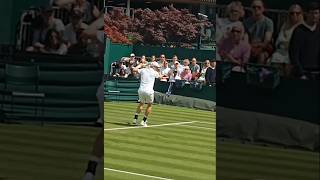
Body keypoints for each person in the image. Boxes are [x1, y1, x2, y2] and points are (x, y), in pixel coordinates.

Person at [289, 2, 320, 80]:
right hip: (302, 73)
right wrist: (301, 74)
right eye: (312, 13)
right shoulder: (299, 31)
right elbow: (293, 54)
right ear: (306, 14)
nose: (314, 16)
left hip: (317, 73)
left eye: (316, 13)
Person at [270, 4, 303, 76]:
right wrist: (285, 43)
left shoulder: (302, 28)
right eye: (292, 13)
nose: (294, 15)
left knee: (288, 63)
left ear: (301, 14)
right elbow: (278, 41)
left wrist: (286, 43)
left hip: (292, 53)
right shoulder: (285, 25)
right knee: (276, 60)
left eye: (297, 13)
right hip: (281, 52)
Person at [244, 0, 274, 64]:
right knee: (244, 54)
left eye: (259, 7)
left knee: (262, 56)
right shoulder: (246, 22)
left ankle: (257, 73)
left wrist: (258, 49)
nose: (256, 9)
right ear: (251, 9)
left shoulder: (268, 22)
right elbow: (245, 39)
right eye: (254, 7)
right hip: (249, 47)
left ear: (263, 9)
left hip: (263, 48)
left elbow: (267, 40)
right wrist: (250, 48)